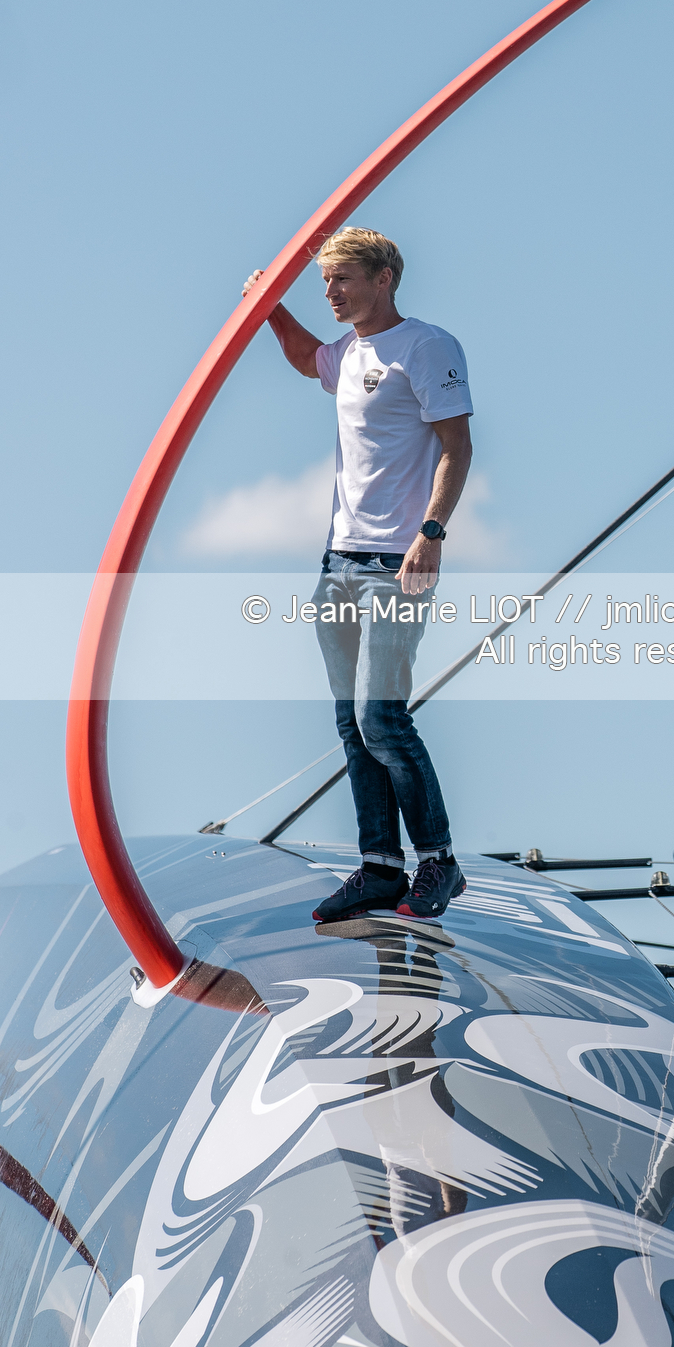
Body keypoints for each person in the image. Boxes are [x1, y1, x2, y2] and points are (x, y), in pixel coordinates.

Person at [242, 227, 472, 923]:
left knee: (383, 720)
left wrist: (431, 534)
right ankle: (379, 866)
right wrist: (268, 306)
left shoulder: (426, 346)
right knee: (351, 725)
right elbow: (304, 357)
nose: (333, 292)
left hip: (395, 564)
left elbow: (457, 447)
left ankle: (439, 860)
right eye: (324, 283)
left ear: (383, 278)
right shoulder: (346, 353)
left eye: (343, 279)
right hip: (337, 562)